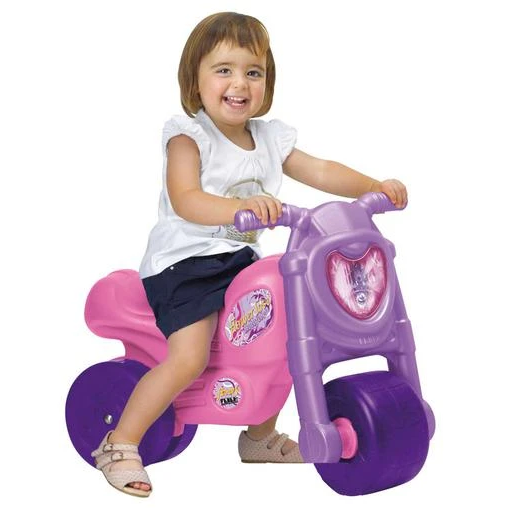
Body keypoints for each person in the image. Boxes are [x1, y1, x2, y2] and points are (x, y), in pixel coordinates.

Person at [91, 12, 408, 497]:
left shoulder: (270, 138)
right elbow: (186, 199)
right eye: (224, 70)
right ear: (195, 79)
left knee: (283, 338)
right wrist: (241, 209)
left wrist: (372, 186)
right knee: (190, 357)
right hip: (184, 266)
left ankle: (259, 437)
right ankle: (120, 442)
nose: (239, 83)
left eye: (253, 72)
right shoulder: (189, 136)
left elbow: (321, 170)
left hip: (236, 264)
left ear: (267, 83)